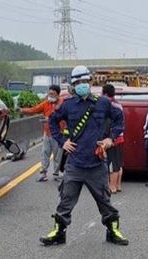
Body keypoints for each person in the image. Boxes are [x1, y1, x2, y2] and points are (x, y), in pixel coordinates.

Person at [40, 65, 129, 246]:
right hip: (75, 163)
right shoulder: (68, 105)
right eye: (79, 82)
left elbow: (119, 118)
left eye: (85, 81)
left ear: (90, 82)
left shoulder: (103, 103)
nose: (82, 84)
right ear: (73, 85)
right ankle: (58, 233)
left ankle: (113, 231)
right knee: (66, 200)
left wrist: (110, 139)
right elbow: (53, 122)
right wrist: (62, 141)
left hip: (96, 163)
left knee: (104, 200)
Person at [20, 84, 64, 182]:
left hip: (59, 134)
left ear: (58, 94)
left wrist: (51, 119)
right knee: (45, 153)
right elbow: (34, 110)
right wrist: (22, 110)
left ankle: (56, 174)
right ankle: (43, 173)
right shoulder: (46, 103)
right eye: (49, 93)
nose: (50, 96)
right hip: (47, 133)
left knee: (58, 155)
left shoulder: (63, 104)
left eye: (53, 94)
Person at [102, 84, 125, 194]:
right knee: (118, 163)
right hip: (119, 137)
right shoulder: (118, 104)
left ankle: (112, 187)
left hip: (112, 138)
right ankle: (118, 185)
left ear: (104, 93)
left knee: (112, 164)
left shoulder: (109, 105)